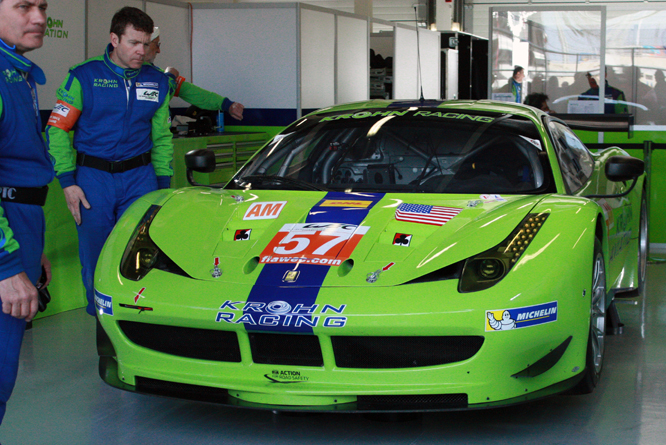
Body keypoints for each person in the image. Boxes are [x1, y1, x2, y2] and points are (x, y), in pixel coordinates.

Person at [45, 7, 173, 316]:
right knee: (96, 255)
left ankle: (140, 323)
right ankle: (103, 326)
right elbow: (57, 129)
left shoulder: (157, 82)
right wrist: (67, 182)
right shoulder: (84, 76)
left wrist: (163, 188)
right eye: (133, 43)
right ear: (114, 39)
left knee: (142, 255)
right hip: (93, 180)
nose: (141, 51)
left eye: (146, 43)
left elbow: (162, 138)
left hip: (140, 177)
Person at [0, 0, 53, 425]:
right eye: (23, 5)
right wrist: (5, 264)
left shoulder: (14, 70)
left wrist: (29, 252)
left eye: (42, 5)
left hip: (20, 224)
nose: (38, 17)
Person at [144, 27, 244, 121]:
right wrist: (170, 77)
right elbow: (157, 98)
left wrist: (226, 105)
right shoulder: (132, 76)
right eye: (157, 44)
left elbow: (192, 92)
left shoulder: (159, 74)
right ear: (144, 44)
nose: (159, 50)